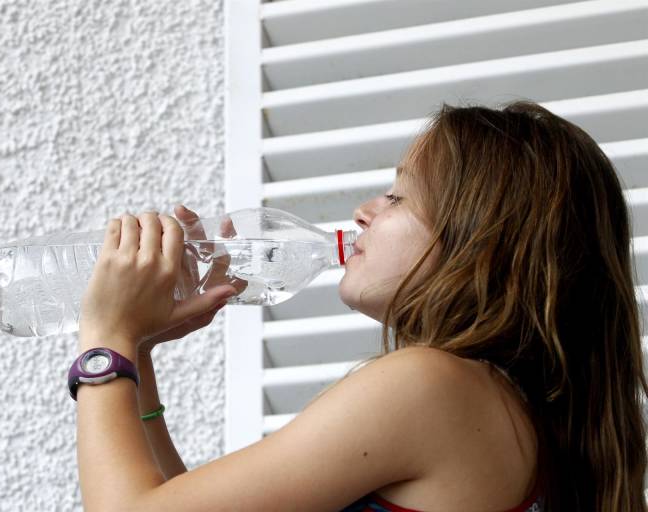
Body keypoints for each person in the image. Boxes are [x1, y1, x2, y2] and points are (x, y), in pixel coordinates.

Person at [72, 100, 647, 512]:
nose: (364, 209)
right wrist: (138, 355)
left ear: (479, 245)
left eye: (398, 195)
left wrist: (106, 336)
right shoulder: (502, 406)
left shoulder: (429, 385)